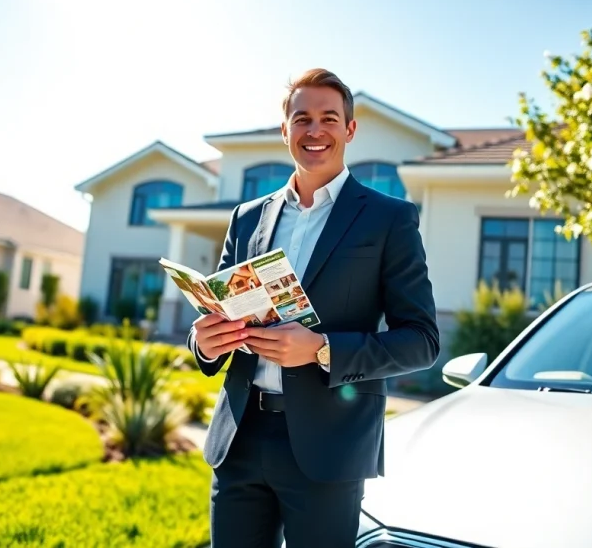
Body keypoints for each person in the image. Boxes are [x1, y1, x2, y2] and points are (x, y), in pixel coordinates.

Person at [188, 68, 440, 548]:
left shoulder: (390, 219)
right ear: (285, 130)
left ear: (349, 129)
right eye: (301, 118)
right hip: (239, 438)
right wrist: (204, 344)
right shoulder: (246, 218)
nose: (314, 130)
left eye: (329, 118)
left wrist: (322, 349)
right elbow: (217, 314)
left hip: (329, 447)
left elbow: (422, 341)